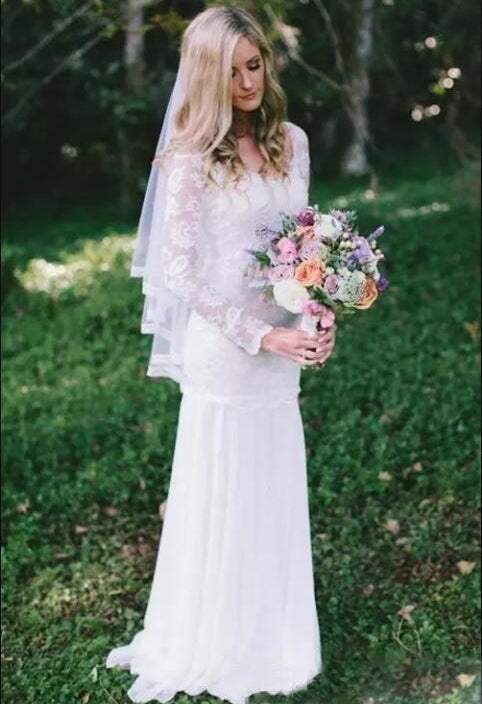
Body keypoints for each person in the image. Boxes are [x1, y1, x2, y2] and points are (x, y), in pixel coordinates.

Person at [105, 6, 336, 704]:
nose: (247, 82)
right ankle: (213, 639)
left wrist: (318, 314)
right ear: (206, 78)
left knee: (271, 488)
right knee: (225, 494)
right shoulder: (188, 160)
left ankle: (274, 636)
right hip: (227, 350)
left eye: (254, 64)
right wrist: (262, 336)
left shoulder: (291, 141)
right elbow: (181, 275)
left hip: (282, 346)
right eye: (231, 72)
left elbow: (302, 247)